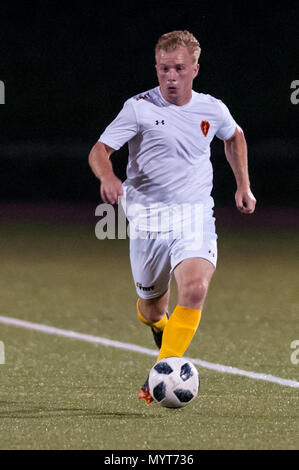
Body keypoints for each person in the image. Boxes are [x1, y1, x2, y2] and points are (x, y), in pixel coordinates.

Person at [88, 30, 256, 404]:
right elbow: (99, 149)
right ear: (156, 68)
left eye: (179, 68)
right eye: (164, 69)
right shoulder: (139, 108)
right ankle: (161, 329)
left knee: (194, 288)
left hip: (194, 215)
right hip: (147, 222)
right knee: (152, 309)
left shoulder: (211, 108)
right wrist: (108, 175)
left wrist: (243, 185)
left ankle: (160, 372)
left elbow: (234, 136)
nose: (171, 77)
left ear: (195, 69)